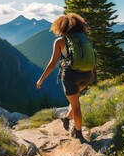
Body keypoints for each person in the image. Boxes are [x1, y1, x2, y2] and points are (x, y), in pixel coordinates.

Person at [36, 13, 95, 143]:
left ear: (61, 27)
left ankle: (78, 133)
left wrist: (41, 80)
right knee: (74, 101)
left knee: (76, 106)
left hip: (71, 76)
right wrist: (92, 75)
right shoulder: (84, 39)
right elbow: (90, 57)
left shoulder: (60, 41)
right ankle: (66, 118)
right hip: (86, 76)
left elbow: (52, 64)